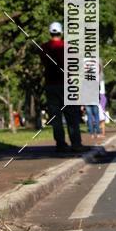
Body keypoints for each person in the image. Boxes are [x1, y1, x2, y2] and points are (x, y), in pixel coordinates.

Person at [38, 22, 85, 153]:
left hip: (51, 85)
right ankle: (76, 143)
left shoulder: (43, 48)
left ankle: (60, 144)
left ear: (50, 32)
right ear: (61, 32)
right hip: (66, 84)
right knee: (71, 115)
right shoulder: (68, 47)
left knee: (56, 117)